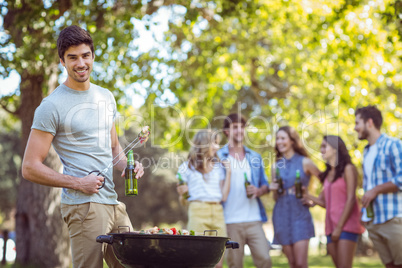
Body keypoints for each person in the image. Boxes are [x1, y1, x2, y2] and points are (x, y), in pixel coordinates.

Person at [21, 25, 144, 268]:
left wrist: (129, 165)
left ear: (93, 56)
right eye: (73, 57)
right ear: (62, 62)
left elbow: (113, 148)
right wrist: (79, 182)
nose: (81, 63)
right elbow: (29, 167)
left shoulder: (105, 97)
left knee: (136, 263)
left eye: (85, 55)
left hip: (113, 202)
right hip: (83, 206)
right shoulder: (51, 106)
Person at [217, 113, 272, 268]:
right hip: (230, 221)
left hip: (254, 219)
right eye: (235, 127)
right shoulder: (218, 156)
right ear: (227, 131)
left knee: (265, 259)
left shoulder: (255, 157)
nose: (240, 131)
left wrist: (258, 191)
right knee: (235, 264)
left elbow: (265, 186)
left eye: (242, 127)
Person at [303, 135, 365, 268]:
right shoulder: (328, 175)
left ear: (336, 149)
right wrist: (307, 196)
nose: (321, 149)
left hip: (345, 226)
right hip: (330, 227)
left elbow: (351, 199)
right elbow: (325, 203)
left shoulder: (348, 169)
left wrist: (339, 227)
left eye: (325, 146)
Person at [354, 105, 402, 268]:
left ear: (369, 122)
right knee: (389, 265)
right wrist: (363, 213)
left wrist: (376, 190)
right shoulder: (366, 152)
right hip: (374, 221)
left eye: (357, 123)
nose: (355, 128)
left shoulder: (393, 144)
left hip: (393, 217)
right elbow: (369, 186)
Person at [176, 129, 231, 268]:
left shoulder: (219, 168)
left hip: (217, 211)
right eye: (214, 143)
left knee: (218, 263)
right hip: (197, 210)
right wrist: (182, 193)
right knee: (198, 261)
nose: (217, 147)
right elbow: (183, 200)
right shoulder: (185, 168)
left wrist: (229, 172)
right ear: (203, 144)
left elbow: (224, 196)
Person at [269, 126, 320, 268]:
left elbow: (326, 182)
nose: (279, 141)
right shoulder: (275, 166)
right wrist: (273, 189)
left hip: (300, 215)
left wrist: (315, 201)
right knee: (292, 264)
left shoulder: (305, 162)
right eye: (277, 138)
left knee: (300, 263)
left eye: (283, 138)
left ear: (292, 141)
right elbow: (275, 197)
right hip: (281, 215)